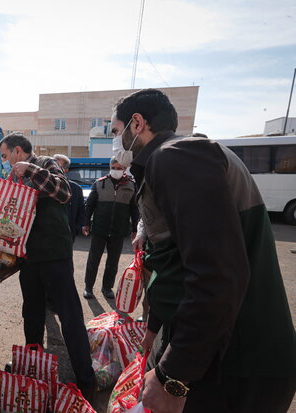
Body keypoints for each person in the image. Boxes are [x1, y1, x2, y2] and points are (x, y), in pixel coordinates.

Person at [110, 88, 295, 412]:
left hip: (237, 366)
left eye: (116, 131)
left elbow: (218, 276)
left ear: (137, 123)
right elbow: (178, 266)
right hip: (224, 357)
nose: (116, 142)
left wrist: (172, 376)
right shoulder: (176, 158)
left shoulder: (175, 157)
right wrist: (154, 335)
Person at [0, 133, 97, 399]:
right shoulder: (12, 178)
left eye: (4, 156)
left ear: (16, 151)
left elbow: (64, 192)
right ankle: (32, 366)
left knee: (69, 316)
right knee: (32, 313)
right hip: (27, 255)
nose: (3, 161)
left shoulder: (46, 164)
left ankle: (86, 379)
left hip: (54, 253)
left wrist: (33, 170)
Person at [81, 157, 138, 299]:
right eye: (114, 167)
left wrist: (135, 229)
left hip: (119, 230)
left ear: (124, 169)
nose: (116, 170)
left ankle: (107, 288)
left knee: (113, 261)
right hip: (100, 228)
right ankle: (88, 287)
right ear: (110, 167)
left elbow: (134, 209)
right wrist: (86, 223)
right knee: (94, 260)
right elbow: (90, 205)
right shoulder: (99, 183)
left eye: (119, 168)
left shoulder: (131, 185)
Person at [53, 154, 86, 242]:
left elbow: (81, 211)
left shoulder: (76, 189)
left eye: (58, 167)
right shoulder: (42, 186)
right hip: (46, 234)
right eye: (52, 166)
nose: (53, 170)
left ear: (66, 170)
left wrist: (76, 229)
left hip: (67, 235)